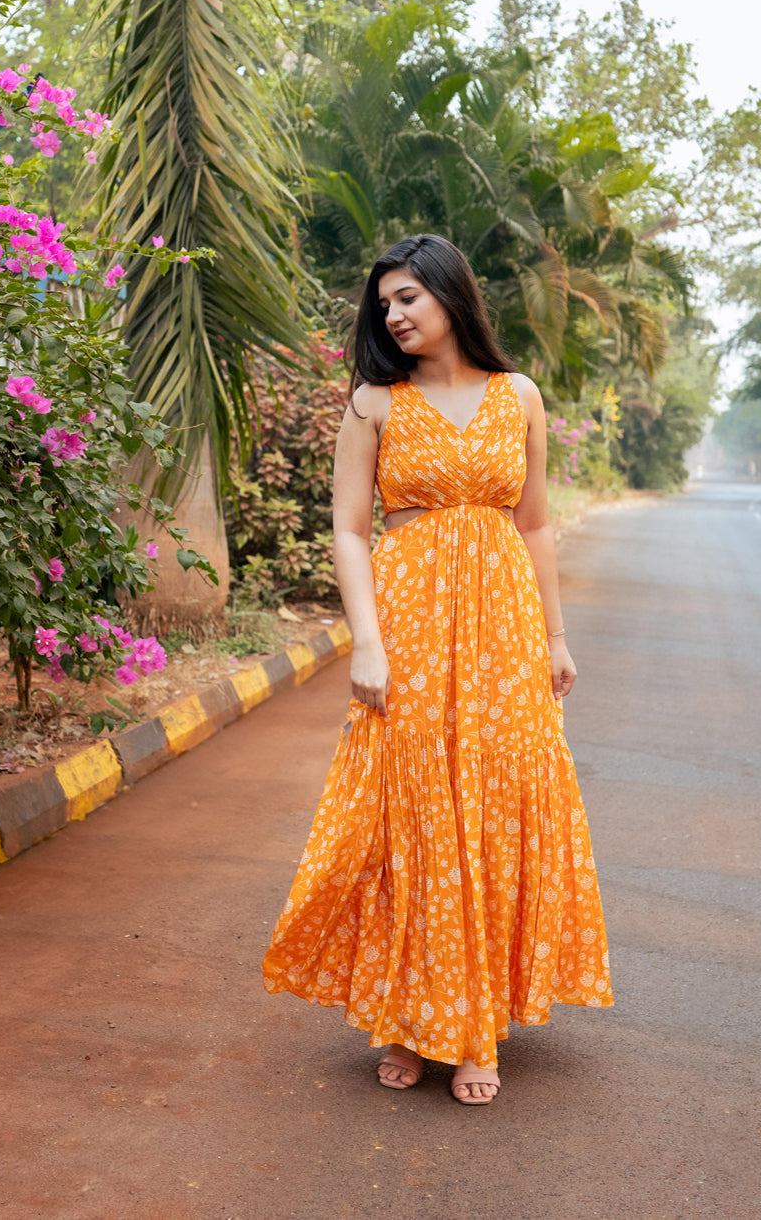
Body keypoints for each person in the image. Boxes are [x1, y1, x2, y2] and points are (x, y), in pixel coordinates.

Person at [262, 233, 612, 1104]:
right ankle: (406, 1018)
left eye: (409, 297)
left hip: (503, 629)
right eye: (385, 304)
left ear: (453, 296)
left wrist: (556, 637)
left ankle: (476, 1021)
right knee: (413, 813)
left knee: (490, 808)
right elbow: (348, 528)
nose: (394, 314)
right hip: (411, 626)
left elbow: (533, 523)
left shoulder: (518, 395)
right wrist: (367, 643)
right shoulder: (374, 404)